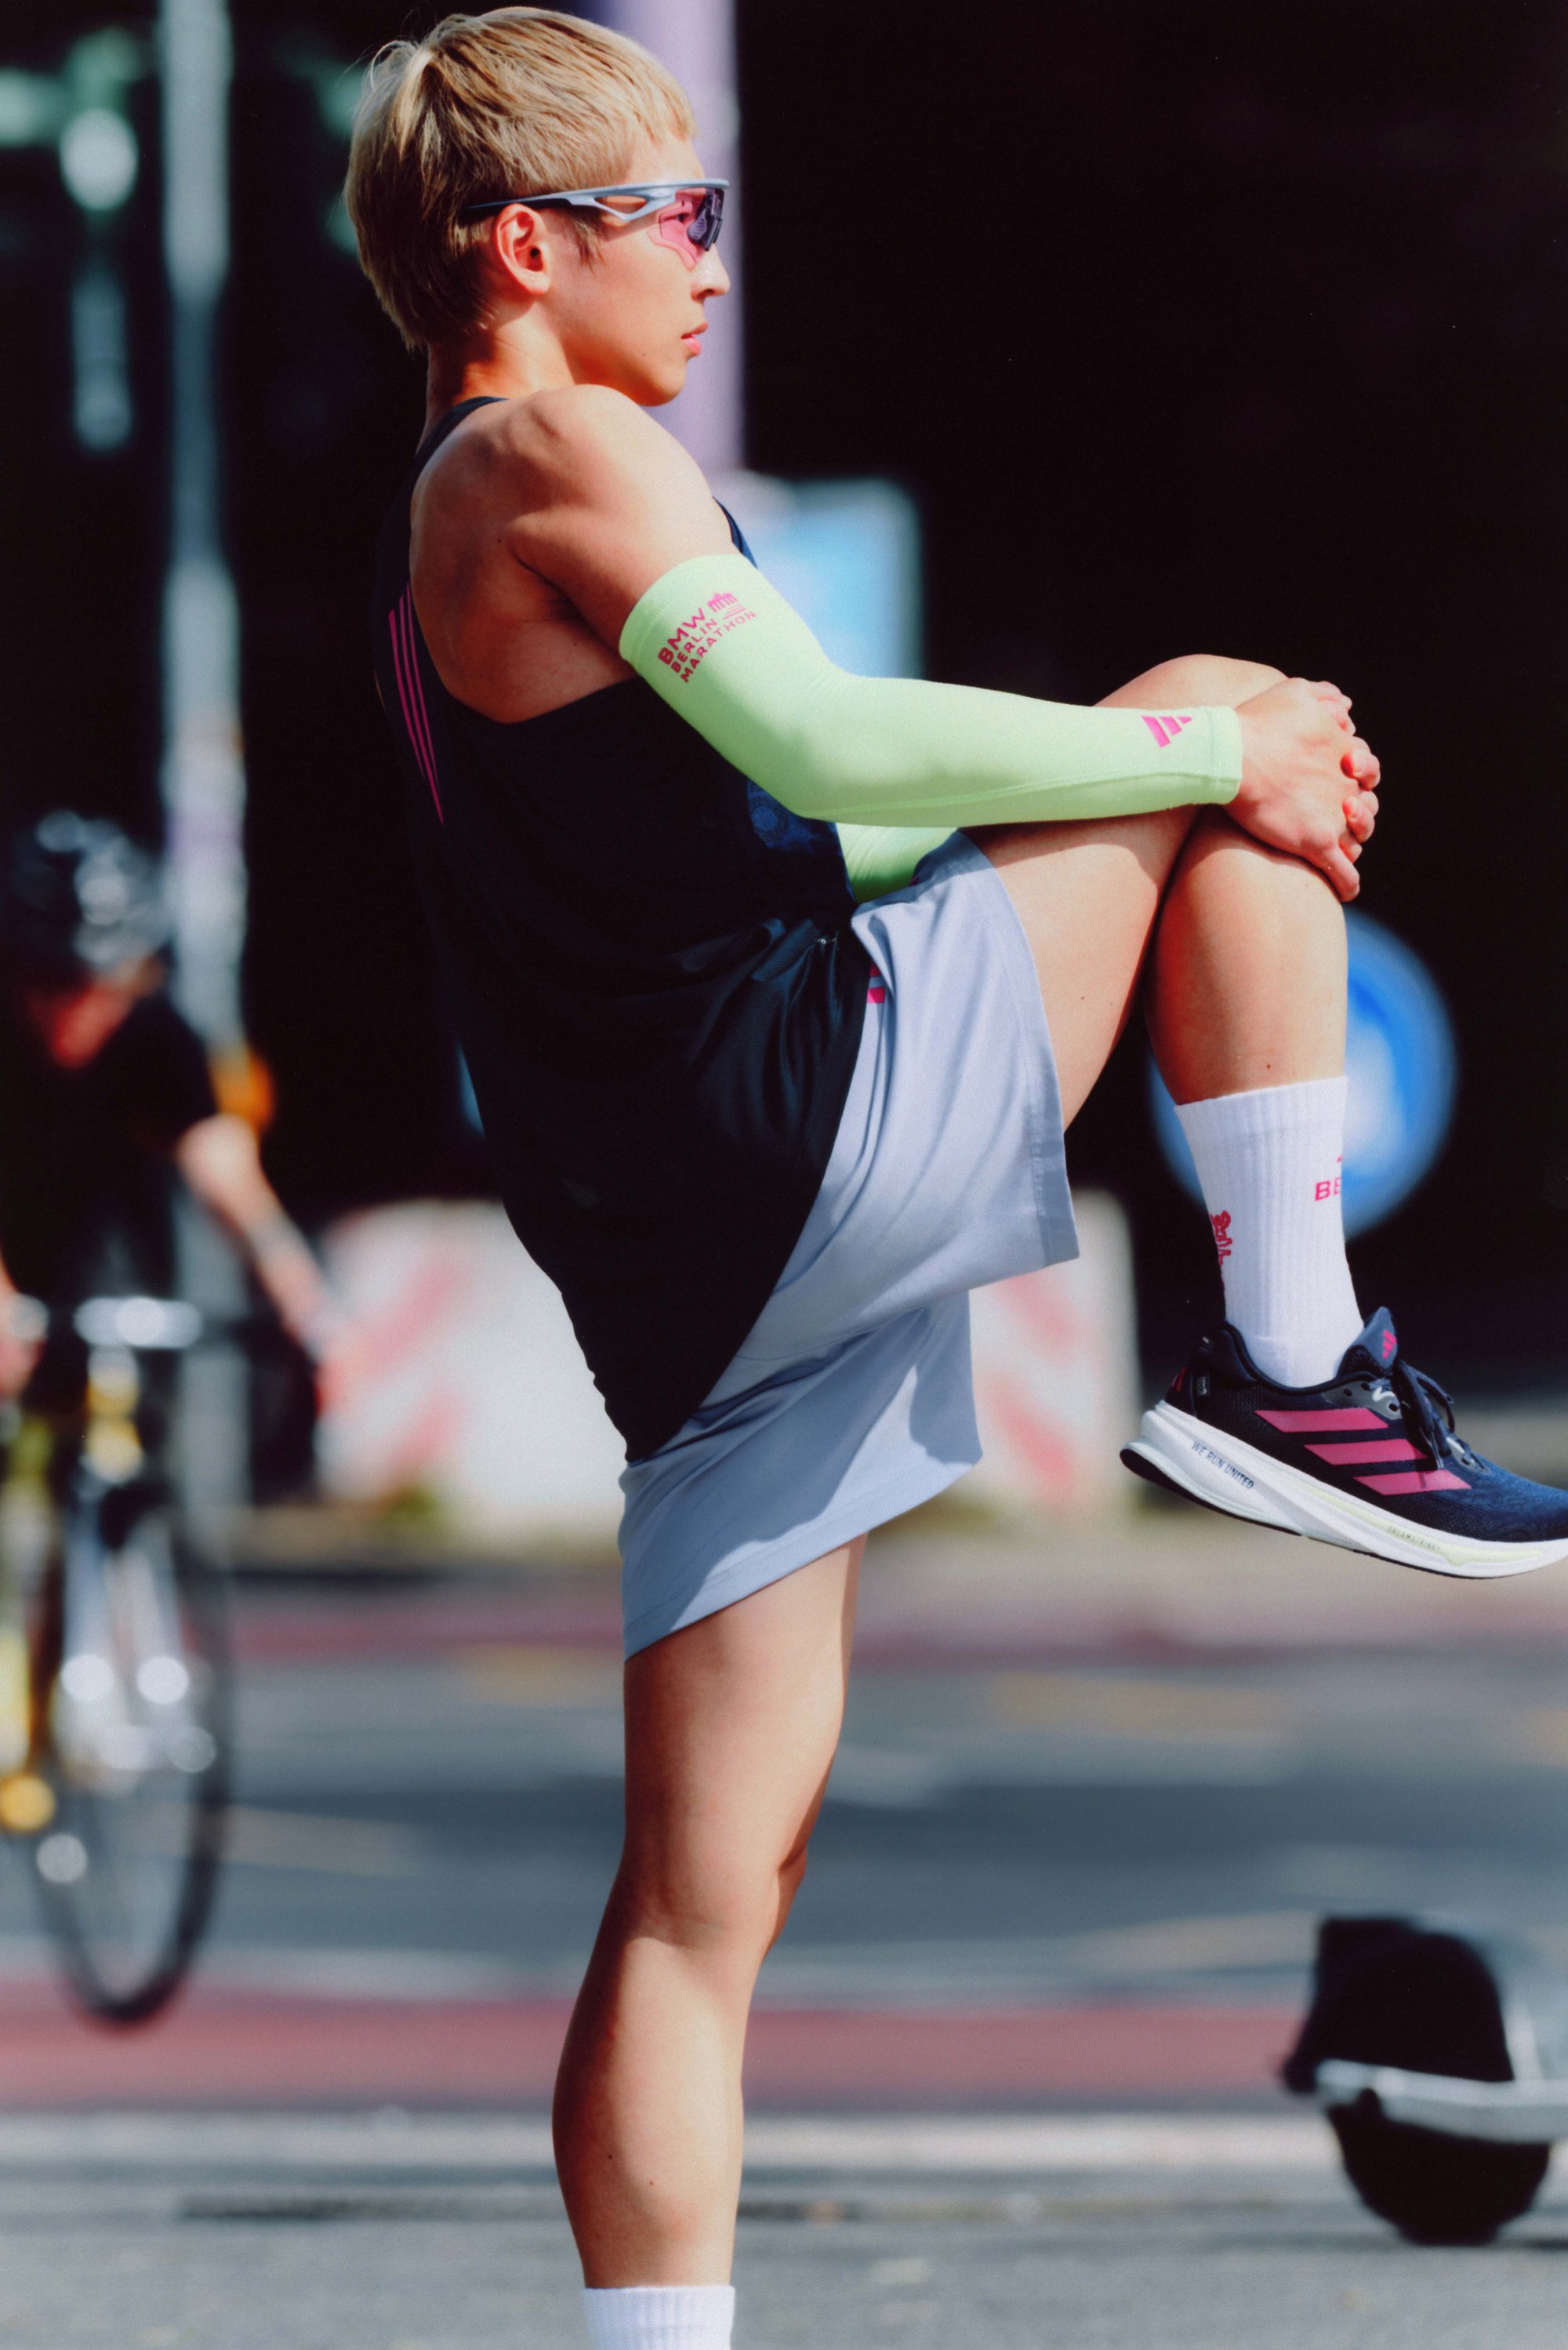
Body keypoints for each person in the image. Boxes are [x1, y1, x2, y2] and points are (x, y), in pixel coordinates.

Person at [345, 13, 1568, 2341]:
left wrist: (1136, 773)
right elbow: (824, 740)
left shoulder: (463, 512)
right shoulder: (548, 458)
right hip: (779, 1125)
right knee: (1243, 702)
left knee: (707, 1893)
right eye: (669, 215)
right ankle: (1294, 1361)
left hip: (674, 1230)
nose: (706, 259)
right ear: (527, 247)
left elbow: (819, 814)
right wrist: (1206, 750)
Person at [0, 812, 337, 1404]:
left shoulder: (156, 1030)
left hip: (97, 1262)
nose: (77, 1013)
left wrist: (305, 1303)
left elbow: (226, 1171)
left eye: (101, 987)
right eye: (54, 983)